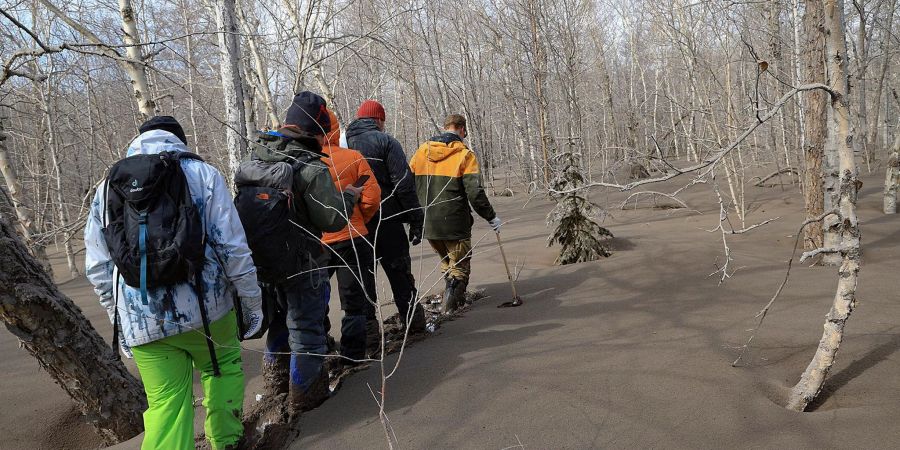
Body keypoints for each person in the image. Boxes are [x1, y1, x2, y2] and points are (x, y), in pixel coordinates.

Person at [84, 116, 262, 450]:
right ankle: (227, 443)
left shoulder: (107, 187)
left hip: (141, 319)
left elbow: (97, 265)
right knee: (222, 369)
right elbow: (232, 247)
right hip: (208, 310)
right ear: (179, 141)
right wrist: (251, 303)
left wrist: (118, 318)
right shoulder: (202, 174)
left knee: (166, 404)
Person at [235, 92, 362, 413]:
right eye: (323, 130)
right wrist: (348, 196)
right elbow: (331, 218)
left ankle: (276, 383)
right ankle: (307, 396)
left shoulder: (258, 156)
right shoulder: (309, 167)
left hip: (260, 260)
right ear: (315, 129)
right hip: (303, 263)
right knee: (306, 328)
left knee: (278, 320)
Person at [345, 100, 427, 332]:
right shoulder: (386, 142)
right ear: (379, 120)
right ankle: (413, 322)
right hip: (387, 218)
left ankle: (369, 334)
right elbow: (403, 184)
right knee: (399, 271)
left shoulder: (343, 143)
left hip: (355, 222)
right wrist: (415, 218)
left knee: (363, 278)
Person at [409, 114, 501, 313]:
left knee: (447, 264)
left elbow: (407, 186)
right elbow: (475, 193)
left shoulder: (422, 151)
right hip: (455, 223)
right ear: (461, 129)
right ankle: (451, 309)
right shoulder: (464, 155)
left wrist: (414, 217)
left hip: (429, 224)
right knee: (459, 267)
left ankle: (450, 301)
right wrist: (491, 216)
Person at [319, 108, 382, 365]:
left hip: (317, 242)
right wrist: (359, 218)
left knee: (315, 297)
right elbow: (372, 196)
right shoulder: (353, 158)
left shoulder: (302, 161)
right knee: (353, 300)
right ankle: (353, 354)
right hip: (352, 237)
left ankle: (321, 346)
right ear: (335, 130)